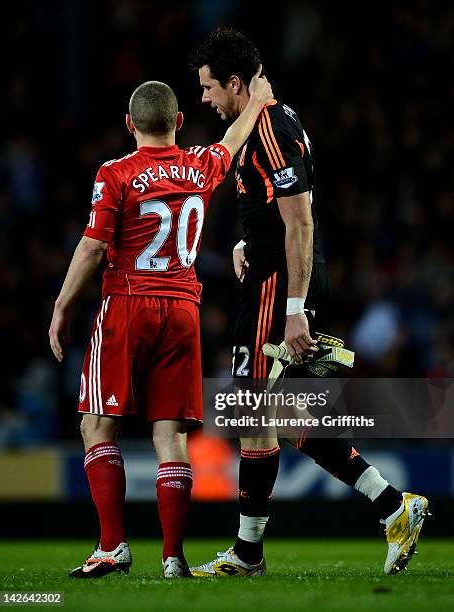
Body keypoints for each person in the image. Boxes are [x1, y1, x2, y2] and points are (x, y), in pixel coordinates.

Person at [189, 27, 429, 577]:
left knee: (252, 411)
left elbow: (302, 220)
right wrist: (248, 238)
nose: (204, 99)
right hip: (273, 270)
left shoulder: (272, 126)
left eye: (207, 88)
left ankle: (249, 554)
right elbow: (280, 206)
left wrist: (294, 306)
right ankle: (394, 504)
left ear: (233, 83)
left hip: (280, 284)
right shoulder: (263, 122)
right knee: (283, 413)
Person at [48, 72, 273, 578]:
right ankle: (172, 557)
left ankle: (112, 547)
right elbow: (229, 144)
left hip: (129, 306)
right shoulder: (199, 165)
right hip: (183, 311)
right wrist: (257, 102)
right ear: (177, 121)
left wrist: (63, 305)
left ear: (129, 124)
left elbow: (94, 245)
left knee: (97, 424)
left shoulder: (116, 173)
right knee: (169, 435)